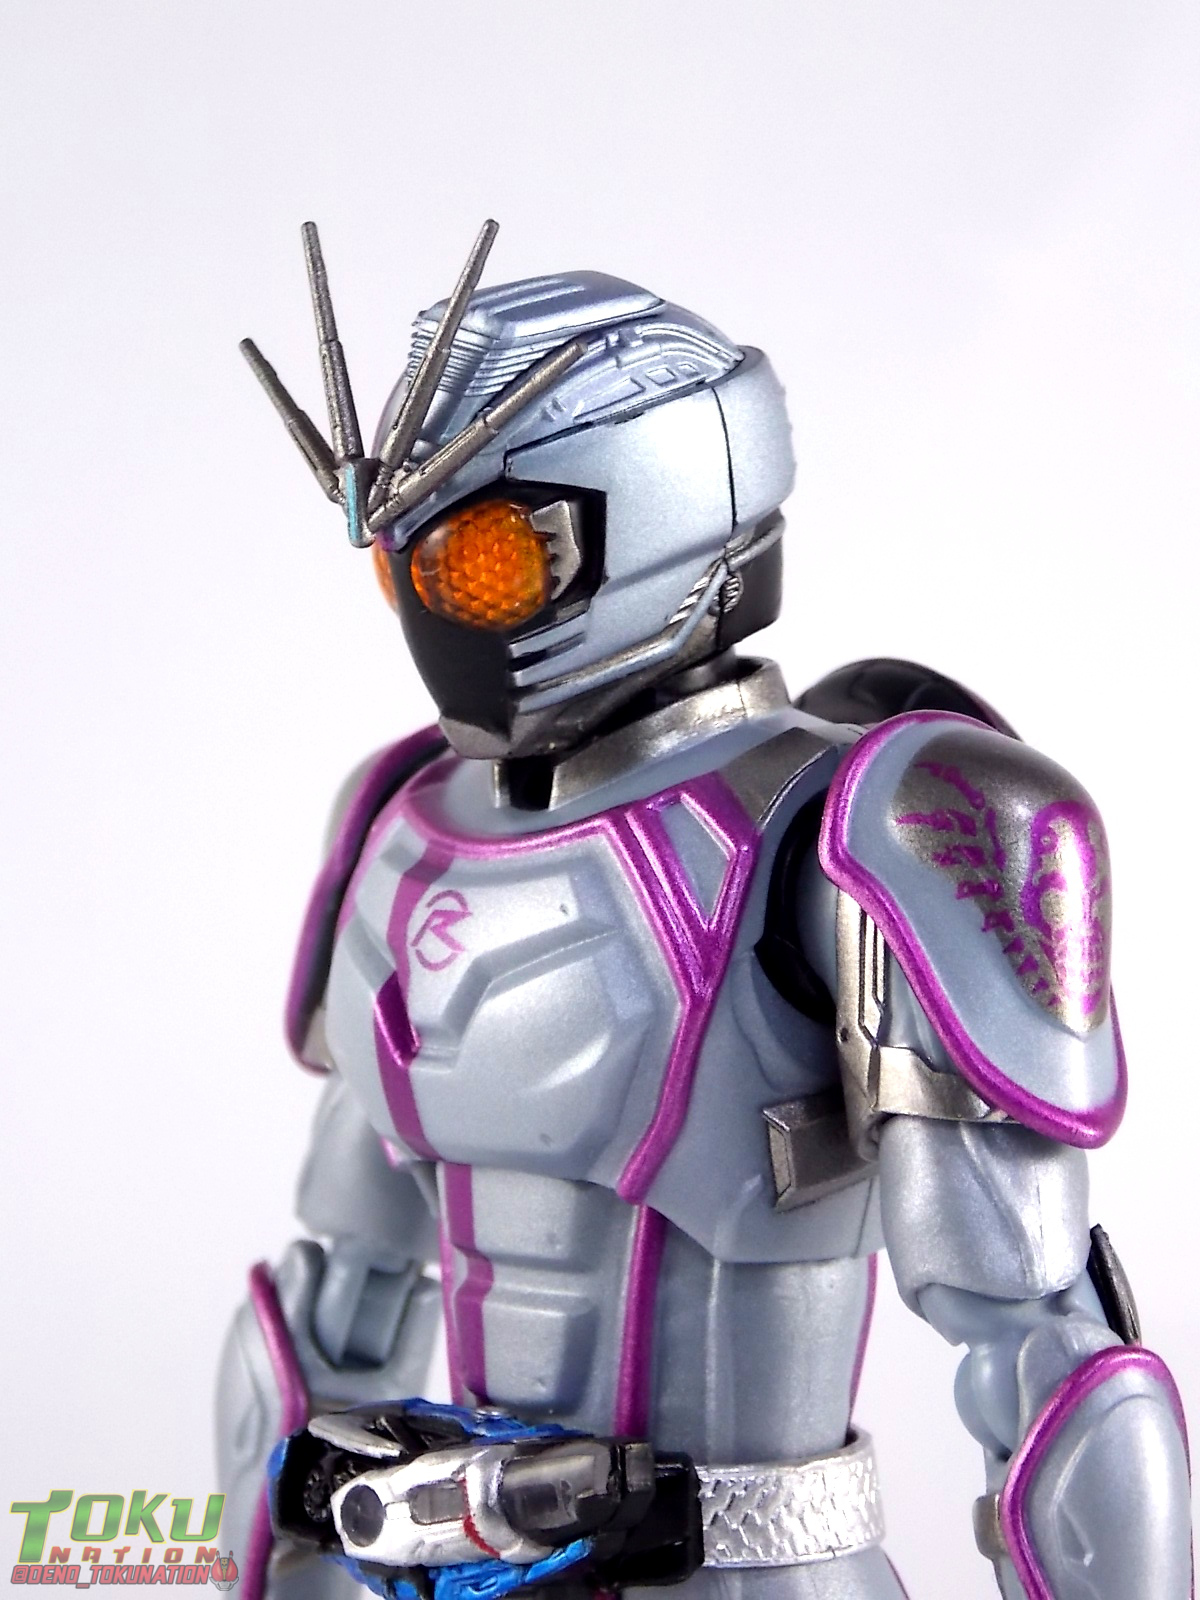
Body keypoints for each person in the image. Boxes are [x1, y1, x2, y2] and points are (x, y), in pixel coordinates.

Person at [218, 222, 1192, 1600]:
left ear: (646, 516)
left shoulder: (863, 827)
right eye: (407, 564)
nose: (434, 604)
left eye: (481, 561)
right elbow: (341, 1299)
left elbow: (1040, 1340)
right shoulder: (401, 828)